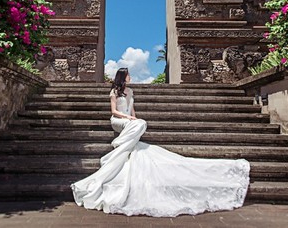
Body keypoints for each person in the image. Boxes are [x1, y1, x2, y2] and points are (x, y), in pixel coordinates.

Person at [70, 68, 250, 217]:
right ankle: (121, 142)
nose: (131, 77)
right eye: (128, 75)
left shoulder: (131, 92)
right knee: (139, 123)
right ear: (122, 77)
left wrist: (134, 119)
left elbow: (133, 110)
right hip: (118, 121)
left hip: (130, 121)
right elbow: (114, 112)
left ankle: (122, 145)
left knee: (140, 122)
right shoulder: (114, 92)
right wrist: (129, 119)